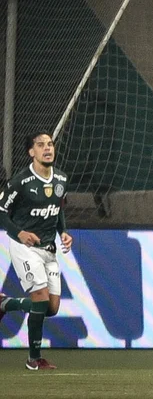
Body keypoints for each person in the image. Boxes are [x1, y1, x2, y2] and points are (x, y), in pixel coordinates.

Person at [0, 131, 73, 370]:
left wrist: (63, 231)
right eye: (41, 145)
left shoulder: (61, 178)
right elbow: (1, 212)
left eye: (50, 144)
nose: (47, 148)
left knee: (50, 308)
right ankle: (34, 358)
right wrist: (19, 233)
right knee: (40, 297)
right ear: (31, 152)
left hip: (49, 249)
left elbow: (58, 208)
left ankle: (5, 304)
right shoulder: (21, 182)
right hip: (25, 247)